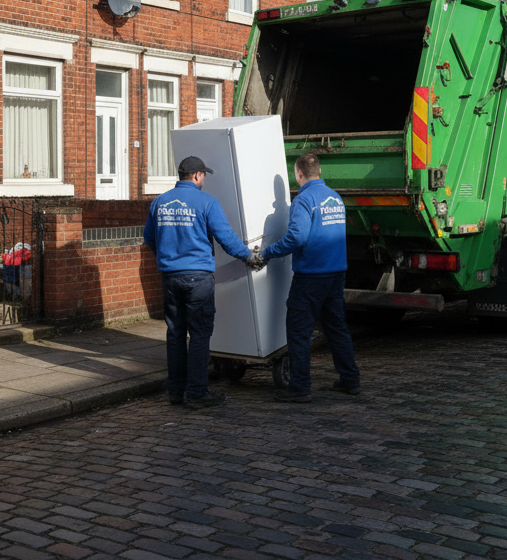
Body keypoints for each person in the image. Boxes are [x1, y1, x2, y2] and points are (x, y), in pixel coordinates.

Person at [143, 155, 260, 409]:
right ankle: (196, 393)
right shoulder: (207, 202)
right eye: (204, 174)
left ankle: (176, 392)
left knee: (175, 335)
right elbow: (226, 238)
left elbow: (149, 238)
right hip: (198, 279)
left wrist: (168, 258)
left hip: (170, 277)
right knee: (198, 335)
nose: (204, 178)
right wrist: (248, 256)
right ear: (196, 175)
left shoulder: (159, 203)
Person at [260, 153, 361, 402]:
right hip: (336, 275)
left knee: (298, 331)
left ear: (299, 174)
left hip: (310, 278)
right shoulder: (335, 198)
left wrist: (269, 252)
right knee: (337, 328)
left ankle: (300, 387)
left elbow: (297, 238)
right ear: (319, 171)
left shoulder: (304, 200)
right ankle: (350, 380)